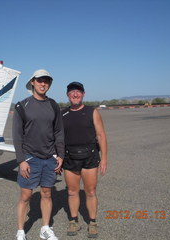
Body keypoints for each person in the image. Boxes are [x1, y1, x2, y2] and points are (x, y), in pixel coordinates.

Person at [13, 69, 65, 240]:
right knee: (26, 195)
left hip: (49, 158)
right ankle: (20, 231)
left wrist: (60, 155)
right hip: (30, 158)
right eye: (40, 80)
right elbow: (17, 136)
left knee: (47, 193)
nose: (43, 84)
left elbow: (58, 132)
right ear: (33, 83)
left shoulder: (53, 105)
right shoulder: (22, 106)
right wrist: (21, 160)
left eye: (46, 81)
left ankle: (45, 228)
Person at [61, 82, 108, 238]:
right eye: (72, 92)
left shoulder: (92, 112)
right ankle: (73, 221)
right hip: (70, 158)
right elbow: (58, 139)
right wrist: (58, 158)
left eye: (78, 92)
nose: (75, 94)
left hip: (90, 157)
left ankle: (92, 222)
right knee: (72, 191)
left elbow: (101, 136)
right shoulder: (62, 114)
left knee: (91, 191)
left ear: (83, 94)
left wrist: (104, 159)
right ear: (67, 95)